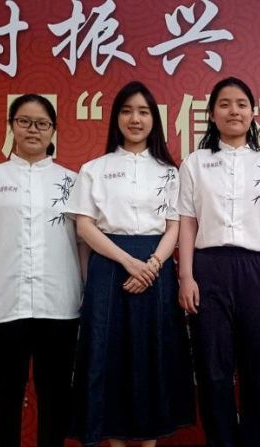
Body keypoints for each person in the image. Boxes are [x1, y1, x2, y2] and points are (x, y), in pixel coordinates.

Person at [66, 81, 195, 447]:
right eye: (127, 111)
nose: (135, 119)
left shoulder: (170, 172)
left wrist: (151, 265)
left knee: (153, 354)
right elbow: (85, 226)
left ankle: (150, 440)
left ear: (154, 119)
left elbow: (175, 226)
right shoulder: (94, 169)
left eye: (143, 112)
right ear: (116, 119)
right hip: (110, 268)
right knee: (109, 355)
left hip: (157, 266)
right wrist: (128, 262)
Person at [0, 94, 83, 447]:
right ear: (11, 125)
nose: (33, 130)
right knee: (5, 397)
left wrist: (87, 291)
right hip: (3, 303)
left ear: (53, 130)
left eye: (42, 123)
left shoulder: (71, 182)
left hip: (60, 305)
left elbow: (83, 243)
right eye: (24, 121)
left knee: (56, 396)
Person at [177, 76, 260, 447]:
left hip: (259, 269)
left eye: (241, 104)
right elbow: (188, 222)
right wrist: (186, 276)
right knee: (213, 369)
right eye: (224, 104)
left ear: (254, 112)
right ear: (211, 114)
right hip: (209, 269)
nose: (233, 111)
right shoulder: (195, 163)